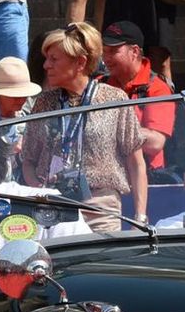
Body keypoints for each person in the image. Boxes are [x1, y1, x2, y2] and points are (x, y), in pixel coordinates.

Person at [20, 23, 149, 227]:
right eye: (46, 59)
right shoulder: (44, 102)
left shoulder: (114, 99)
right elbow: (28, 160)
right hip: (54, 205)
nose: (46, 66)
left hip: (100, 208)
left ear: (80, 62)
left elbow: (136, 162)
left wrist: (140, 216)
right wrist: (40, 190)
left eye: (54, 59)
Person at [98, 20, 176, 171]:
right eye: (104, 51)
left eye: (113, 51)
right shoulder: (100, 84)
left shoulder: (158, 88)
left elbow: (155, 142)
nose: (106, 58)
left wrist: (109, 129)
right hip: (108, 174)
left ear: (134, 51)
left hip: (148, 177)